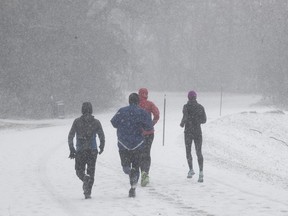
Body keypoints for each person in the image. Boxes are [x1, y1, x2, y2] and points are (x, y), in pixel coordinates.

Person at [111, 93, 153, 197]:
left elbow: (113, 123)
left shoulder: (121, 111)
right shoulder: (142, 113)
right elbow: (149, 127)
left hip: (123, 143)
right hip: (138, 144)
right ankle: (133, 186)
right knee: (136, 165)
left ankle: (129, 171)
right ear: (138, 102)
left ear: (129, 101)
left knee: (125, 166)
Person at [68, 102, 105, 199]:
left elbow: (70, 136)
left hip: (80, 150)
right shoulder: (96, 122)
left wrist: (72, 148)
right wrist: (102, 146)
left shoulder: (77, 122)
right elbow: (101, 135)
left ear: (82, 110)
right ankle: (88, 192)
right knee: (91, 171)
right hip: (92, 150)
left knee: (79, 170)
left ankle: (84, 178)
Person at [180, 90, 206, 182]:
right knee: (199, 152)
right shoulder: (200, 107)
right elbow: (204, 120)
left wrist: (182, 123)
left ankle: (191, 170)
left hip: (188, 132)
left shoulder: (186, 107)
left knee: (188, 151)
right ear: (196, 97)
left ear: (188, 97)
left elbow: (185, 117)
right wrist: (197, 120)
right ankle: (201, 173)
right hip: (198, 132)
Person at [138, 88, 160, 187]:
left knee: (139, 153)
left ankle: (142, 171)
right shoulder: (150, 104)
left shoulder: (136, 104)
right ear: (146, 94)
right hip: (149, 133)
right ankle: (145, 172)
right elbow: (157, 114)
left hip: (138, 133)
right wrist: (152, 123)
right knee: (147, 153)